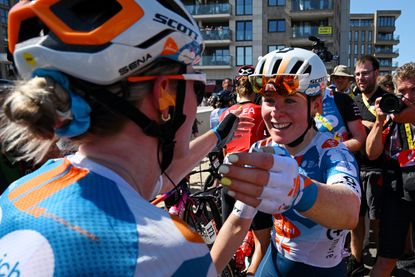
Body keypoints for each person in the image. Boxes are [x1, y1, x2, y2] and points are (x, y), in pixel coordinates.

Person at [0, 1, 242, 275]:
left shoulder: (20, 191)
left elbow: (147, 183)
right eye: (196, 87)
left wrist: (216, 136)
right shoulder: (171, 252)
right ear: (165, 97)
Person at [211, 48, 361, 276]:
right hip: (274, 263)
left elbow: (350, 213)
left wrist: (297, 189)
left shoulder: (332, 152)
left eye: (290, 100)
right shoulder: (262, 149)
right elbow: (237, 224)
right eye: (269, 100)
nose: (276, 113)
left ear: (316, 105)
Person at [219, 65, 269, 275]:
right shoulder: (260, 111)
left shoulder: (225, 113)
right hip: (251, 181)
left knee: (229, 239)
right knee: (262, 242)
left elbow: (222, 148)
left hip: (229, 176)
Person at [367, 62, 415, 277]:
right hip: (397, 192)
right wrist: (379, 122)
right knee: (386, 259)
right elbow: (372, 153)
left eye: (414, 90)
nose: (408, 97)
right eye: (402, 91)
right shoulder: (392, 116)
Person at [347, 55, 388, 276]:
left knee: (378, 218)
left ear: (376, 73)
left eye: (365, 73)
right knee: (356, 219)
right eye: (358, 74)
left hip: (381, 168)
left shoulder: (388, 100)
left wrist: (369, 125)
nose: (360, 78)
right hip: (355, 168)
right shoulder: (351, 101)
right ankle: (356, 259)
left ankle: (383, 258)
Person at [315, 65, 366, 152]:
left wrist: (333, 149)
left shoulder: (348, 98)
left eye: (343, 77)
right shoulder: (300, 99)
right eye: (336, 77)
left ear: (349, 80)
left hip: (341, 157)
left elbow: (360, 137)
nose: (339, 80)